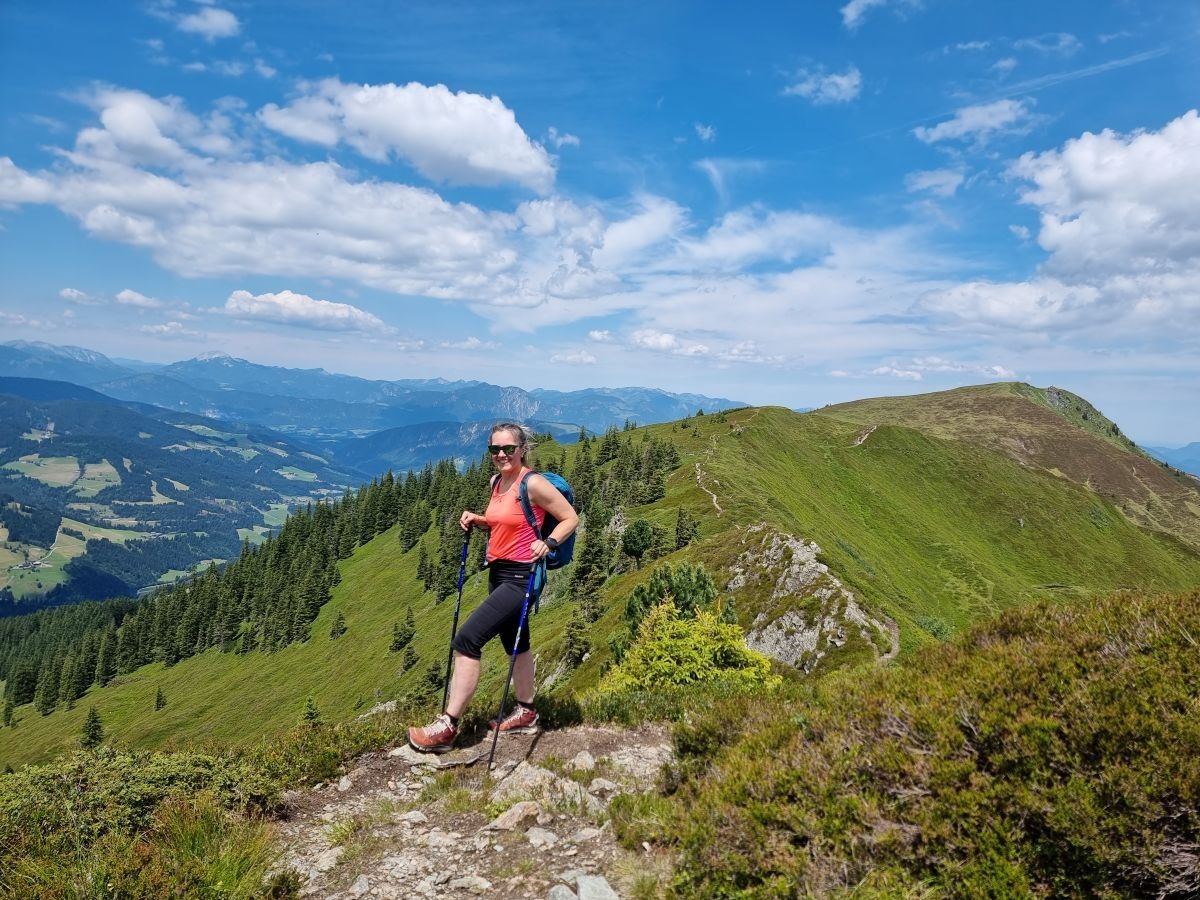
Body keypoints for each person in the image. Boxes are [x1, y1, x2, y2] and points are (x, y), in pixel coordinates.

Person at [408, 422, 579, 753]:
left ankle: (447, 726)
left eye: (508, 449)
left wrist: (549, 543)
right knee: (517, 644)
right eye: (494, 449)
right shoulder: (497, 482)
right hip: (499, 574)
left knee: (467, 640)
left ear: (522, 450)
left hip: (521, 577)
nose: (501, 454)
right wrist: (480, 520)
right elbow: (508, 522)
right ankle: (527, 712)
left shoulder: (533, 483)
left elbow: (570, 517)